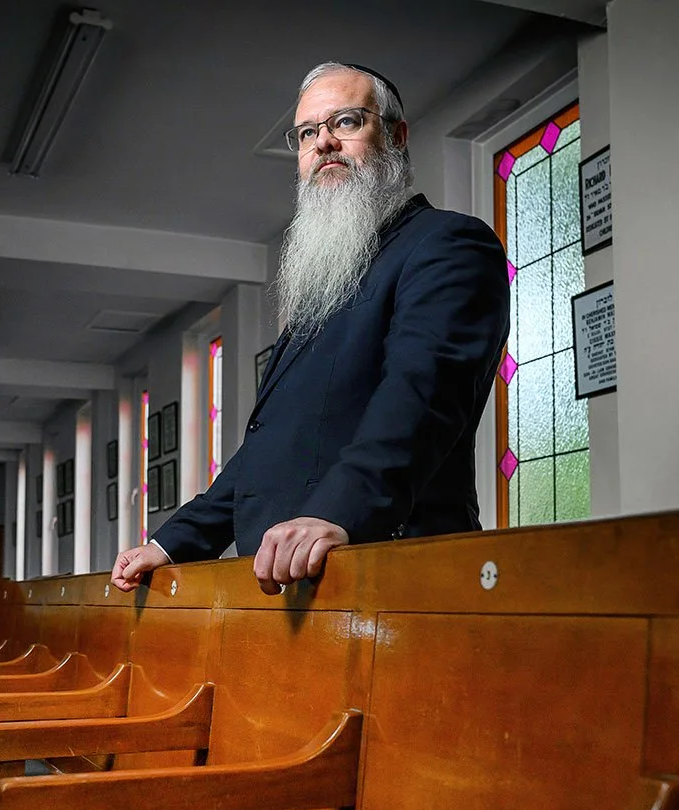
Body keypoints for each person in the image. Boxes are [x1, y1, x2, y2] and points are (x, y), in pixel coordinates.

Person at [112, 61, 510, 595]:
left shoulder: (448, 245)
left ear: (395, 136)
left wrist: (338, 512)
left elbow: (422, 396)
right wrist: (171, 543)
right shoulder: (327, 281)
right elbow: (272, 447)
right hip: (290, 583)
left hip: (389, 571)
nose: (323, 143)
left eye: (345, 122)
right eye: (307, 133)